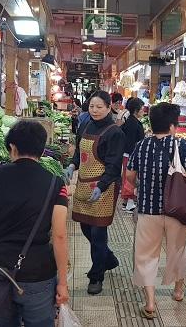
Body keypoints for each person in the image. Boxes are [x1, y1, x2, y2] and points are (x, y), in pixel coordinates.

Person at [0, 120, 69, 327]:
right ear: (41, 149)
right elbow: (59, 235)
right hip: (37, 273)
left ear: (12, 147)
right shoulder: (56, 184)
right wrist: (63, 283)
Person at [125, 102, 186, 320]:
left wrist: (143, 184)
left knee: (146, 255)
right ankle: (178, 291)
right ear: (172, 125)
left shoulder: (141, 145)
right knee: (177, 250)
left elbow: (130, 175)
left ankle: (149, 302)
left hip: (149, 210)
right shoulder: (181, 146)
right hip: (177, 210)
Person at [64, 90, 125, 295]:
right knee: (85, 228)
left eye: (99, 107)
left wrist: (102, 186)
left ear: (109, 108)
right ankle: (108, 258)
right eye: (92, 106)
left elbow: (114, 166)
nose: (95, 110)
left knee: (98, 233)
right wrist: (72, 166)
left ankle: (96, 276)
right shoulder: (85, 124)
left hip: (104, 188)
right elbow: (79, 154)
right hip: (83, 183)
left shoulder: (114, 132)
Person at [120, 97, 146, 213]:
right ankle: (129, 203)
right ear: (136, 110)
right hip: (130, 154)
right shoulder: (132, 123)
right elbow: (130, 141)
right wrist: (134, 156)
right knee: (130, 177)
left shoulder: (132, 120)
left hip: (130, 154)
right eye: (142, 109)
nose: (143, 111)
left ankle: (127, 202)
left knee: (128, 176)